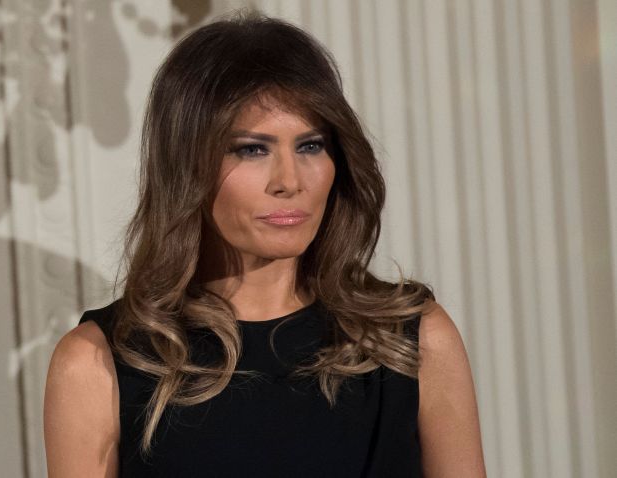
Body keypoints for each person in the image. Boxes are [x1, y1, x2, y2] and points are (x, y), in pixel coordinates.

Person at [43, 10, 485, 478]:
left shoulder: (412, 341)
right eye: (252, 149)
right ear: (186, 166)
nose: (289, 181)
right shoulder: (97, 364)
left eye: (311, 145)